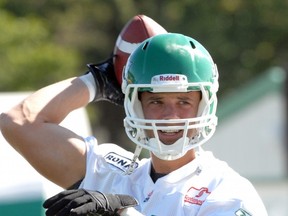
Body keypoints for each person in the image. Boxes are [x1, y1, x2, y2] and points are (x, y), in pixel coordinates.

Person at [0, 33, 268, 216]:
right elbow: (20, 122)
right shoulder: (113, 173)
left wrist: (123, 213)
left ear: (204, 104)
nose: (170, 115)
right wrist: (99, 82)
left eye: (184, 101)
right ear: (134, 104)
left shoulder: (228, 190)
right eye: (156, 101)